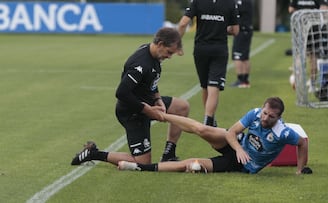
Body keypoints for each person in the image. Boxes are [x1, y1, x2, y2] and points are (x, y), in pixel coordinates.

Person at [70, 27, 190, 166]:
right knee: (143, 162)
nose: (169, 56)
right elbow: (121, 93)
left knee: (181, 107)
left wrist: (158, 99)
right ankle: (94, 153)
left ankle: (169, 155)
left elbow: (151, 81)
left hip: (148, 102)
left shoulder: (153, 54)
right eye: (169, 52)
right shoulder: (140, 64)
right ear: (160, 44)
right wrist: (148, 111)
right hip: (132, 112)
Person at [118, 97, 312, 175]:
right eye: (264, 113)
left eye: (271, 117)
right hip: (235, 146)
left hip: (240, 165)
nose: (265, 118)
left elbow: (302, 143)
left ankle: (139, 167)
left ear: (278, 118)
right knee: (202, 129)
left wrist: (300, 169)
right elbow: (231, 133)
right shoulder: (254, 113)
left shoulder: (283, 132)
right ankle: (158, 114)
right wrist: (238, 148)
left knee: (188, 164)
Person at [177, 0, 240, 127]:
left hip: (201, 50)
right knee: (214, 86)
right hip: (219, 50)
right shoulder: (230, 3)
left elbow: (183, 23)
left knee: (205, 86)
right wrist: (221, 27)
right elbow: (235, 30)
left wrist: (177, 44)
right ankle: (208, 119)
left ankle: (209, 118)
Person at [288, 0, 328, 92]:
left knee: (299, 55)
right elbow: (325, 8)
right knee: (313, 56)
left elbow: (291, 9)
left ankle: (297, 80)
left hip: (300, 28)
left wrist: (301, 14)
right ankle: (312, 85)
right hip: (314, 29)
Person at [230, 0, 253, 88]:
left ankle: (240, 79)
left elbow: (236, 11)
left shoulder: (242, 2)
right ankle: (245, 80)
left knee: (237, 56)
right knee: (245, 57)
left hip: (242, 31)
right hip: (247, 30)